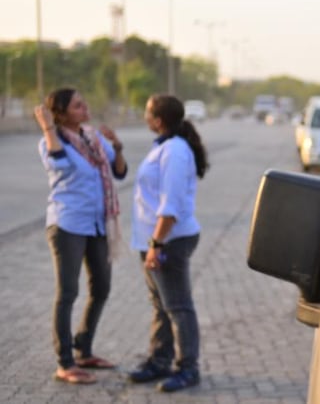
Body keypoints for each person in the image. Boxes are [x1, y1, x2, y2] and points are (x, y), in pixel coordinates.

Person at [34, 88, 128, 384]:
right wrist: (49, 128)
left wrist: (118, 146)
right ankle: (65, 362)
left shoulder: (93, 137)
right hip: (68, 224)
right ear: (60, 114)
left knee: (101, 287)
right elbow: (59, 163)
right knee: (68, 293)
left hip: (98, 224)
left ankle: (84, 349)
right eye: (77, 105)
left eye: (83, 102)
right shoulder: (50, 141)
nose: (84, 107)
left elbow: (119, 172)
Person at [127, 94, 209, 393]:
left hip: (169, 241)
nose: (144, 116)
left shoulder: (174, 151)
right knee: (160, 306)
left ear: (158, 120)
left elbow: (170, 205)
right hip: (155, 240)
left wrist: (157, 244)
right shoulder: (163, 146)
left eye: (147, 112)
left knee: (177, 307)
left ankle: (188, 368)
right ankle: (159, 360)